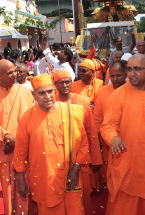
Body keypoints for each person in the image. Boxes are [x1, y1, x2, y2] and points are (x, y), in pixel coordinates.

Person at [13, 74, 90, 215]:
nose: (47, 96)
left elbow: (84, 144)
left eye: (50, 91)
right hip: (44, 177)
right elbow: (20, 150)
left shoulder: (72, 112)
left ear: (55, 90)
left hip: (70, 175)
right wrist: (20, 178)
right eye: (41, 93)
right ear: (34, 95)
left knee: (74, 209)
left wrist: (76, 168)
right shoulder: (27, 117)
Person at [101, 54, 145, 215]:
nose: (132, 74)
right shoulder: (118, 95)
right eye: (129, 69)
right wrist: (113, 138)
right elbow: (107, 125)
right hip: (126, 161)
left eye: (137, 69)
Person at [0, 59, 35, 214]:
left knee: (26, 183)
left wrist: (18, 140)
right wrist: (6, 136)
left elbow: (31, 118)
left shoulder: (24, 91)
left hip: (24, 146)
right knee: (8, 186)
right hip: (3, 147)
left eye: (15, 71)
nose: (15, 74)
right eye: (10, 72)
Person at [53, 69, 102, 215]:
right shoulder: (52, 101)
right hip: (59, 156)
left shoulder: (83, 101)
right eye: (61, 82)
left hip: (81, 153)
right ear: (55, 84)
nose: (65, 85)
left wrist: (94, 157)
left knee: (83, 191)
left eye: (67, 81)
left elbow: (91, 131)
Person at [94, 61, 127, 186]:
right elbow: (97, 117)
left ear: (125, 74)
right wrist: (97, 139)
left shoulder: (131, 90)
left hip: (127, 141)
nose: (115, 79)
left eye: (118, 75)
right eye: (112, 76)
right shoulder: (103, 91)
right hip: (108, 140)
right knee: (111, 176)